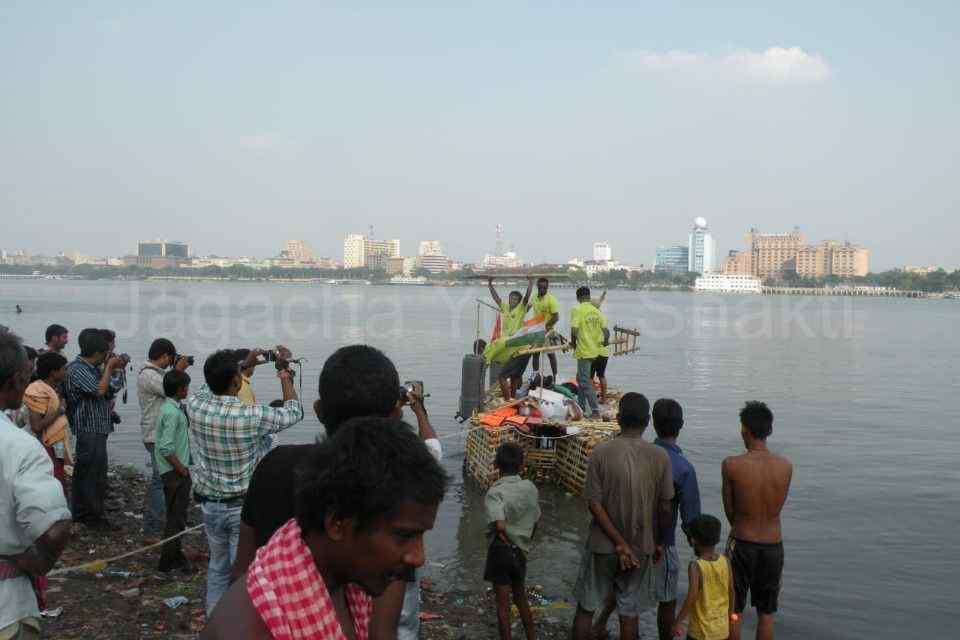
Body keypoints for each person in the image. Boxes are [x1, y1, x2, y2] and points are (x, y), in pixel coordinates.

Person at [232, 345, 442, 640]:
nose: (417, 556)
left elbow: (241, 570)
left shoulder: (273, 466)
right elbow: (382, 631)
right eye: (404, 535)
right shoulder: (394, 491)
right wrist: (418, 406)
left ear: (319, 411)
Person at [201, 417, 450, 640]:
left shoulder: (341, 580)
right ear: (337, 524)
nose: (418, 558)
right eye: (404, 535)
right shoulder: (251, 630)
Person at [186, 347, 304, 615]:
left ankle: (215, 621)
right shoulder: (251, 416)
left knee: (217, 567)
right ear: (238, 382)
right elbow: (294, 411)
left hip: (209, 505)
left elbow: (213, 382)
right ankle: (240, 623)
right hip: (242, 508)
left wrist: (244, 363)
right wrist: (284, 372)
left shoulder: (196, 404)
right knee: (245, 571)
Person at [592, 398, 701, 640]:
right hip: (662, 542)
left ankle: (599, 624)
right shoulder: (683, 468)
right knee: (666, 599)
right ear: (680, 426)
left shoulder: (640, 454)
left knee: (624, 589)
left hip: (625, 536)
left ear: (653, 423)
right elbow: (690, 517)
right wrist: (697, 547)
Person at [571, 392, 674, 640]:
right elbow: (665, 508)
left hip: (603, 547)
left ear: (618, 419)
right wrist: (660, 542)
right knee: (629, 612)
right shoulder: (660, 457)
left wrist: (619, 543)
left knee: (587, 607)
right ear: (647, 421)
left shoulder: (601, 453)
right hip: (641, 548)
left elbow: (594, 504)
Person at [0, 331, 72, 640]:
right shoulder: (20, 446)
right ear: (15, 380)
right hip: (6, 605)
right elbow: (55, 528)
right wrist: (35, 563)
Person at [721, 402, 792, 640]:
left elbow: (729, 509)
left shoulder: (732, 465)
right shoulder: (785, 467)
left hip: (742, 542)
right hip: (773, 546)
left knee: (733, 610)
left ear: (744, 430)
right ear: (769, 430)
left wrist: (741, 524)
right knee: (766, 613)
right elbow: (777, 506)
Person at [64, 328, 127, 529]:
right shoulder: (76, 369)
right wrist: (109, 367)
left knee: (96, 473)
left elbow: (110, 389)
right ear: (97, 353)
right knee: (90, 473)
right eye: (104, 355)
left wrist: (116, 369)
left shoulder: (92, 369)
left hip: (98, 427)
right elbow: (99, 390)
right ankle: (88, 516)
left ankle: (89, 513)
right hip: (88, 428)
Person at [484, 443, 541, 640]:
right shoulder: (530, 488)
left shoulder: (495, 492)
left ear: (497, 465)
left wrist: (505, 535)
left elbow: (498, 524)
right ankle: (531, 637)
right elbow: (535, 521)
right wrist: (523, 541)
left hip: (501, 550)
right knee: (520, 597)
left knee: (502, 606)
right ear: (521, 465)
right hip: (520, 551)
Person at [137, 338, 190, 542]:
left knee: (163, 481)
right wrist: (179, 370)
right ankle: (152, 529)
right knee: (160, 482)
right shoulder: (149, 375)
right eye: (171, 358)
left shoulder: (156, 374)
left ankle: (162, 525)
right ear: (165, 356)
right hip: (155, 436)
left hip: (160, 434)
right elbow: (173, 388)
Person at [154, 369, 194, 573]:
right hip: (174, 471)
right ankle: (167, 562)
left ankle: (175, 555)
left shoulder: (172, 408)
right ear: (180, 389)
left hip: (174, 469)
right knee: (176, 518)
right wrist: (182, 470)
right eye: (186, 386)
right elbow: (166, 447)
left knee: (177, 516)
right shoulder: (171, 412)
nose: (188, 389)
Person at [671, 515, 734, 640]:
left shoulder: (696, 566)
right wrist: (731, 615)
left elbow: (692, 596)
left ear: (693, 540)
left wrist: (678, 621)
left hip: (700, 633)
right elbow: (731, 590)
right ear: (716, 539)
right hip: (722, 631)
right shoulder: (725, 562)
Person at [24, 352, 72, 494]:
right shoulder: (37, 391)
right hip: (42, 446)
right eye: (63, 369)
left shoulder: (50, 389)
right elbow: (36, 426)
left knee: (58, 478)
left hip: (53, 444)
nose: (66, 372)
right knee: (52, 481)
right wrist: (58, 411)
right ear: (53, 372)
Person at [488, 276, 534, 400]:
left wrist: (530, 282)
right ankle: (512, 398)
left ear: (519, 301)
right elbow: (496, 299)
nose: (512, 300)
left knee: (503, 376)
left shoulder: (521, 309)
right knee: (514, 375)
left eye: (515, 299)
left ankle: (508, 400)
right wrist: (490, 284)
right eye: (510, 298)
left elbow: (527, 297)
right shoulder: (505, 308)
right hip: (507, 344)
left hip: (516, 344)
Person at [569, 286, 609, 418]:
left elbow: (574, 329)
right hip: (596, 350)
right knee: (581, 378)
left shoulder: (577, 309)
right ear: (589, 296)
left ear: (578, 297)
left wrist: (573, 343)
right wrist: (603, 341)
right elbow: (605, 331)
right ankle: (581, 406)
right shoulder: (596, 311)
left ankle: (595, 410)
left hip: (584, 350)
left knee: (585, 381)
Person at [530, 277, 560, 378]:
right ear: (537, 287)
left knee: (551, 355)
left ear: (547, 287)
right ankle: (536, 376)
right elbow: (525, 307)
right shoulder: (534, 297)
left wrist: (546, 325)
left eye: (544, 287)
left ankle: (555, 377)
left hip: (548, 331)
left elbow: (556, 317)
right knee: (535, 354)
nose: (542, 289)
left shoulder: (551, 299)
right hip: (536, 331)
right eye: (540, 287)